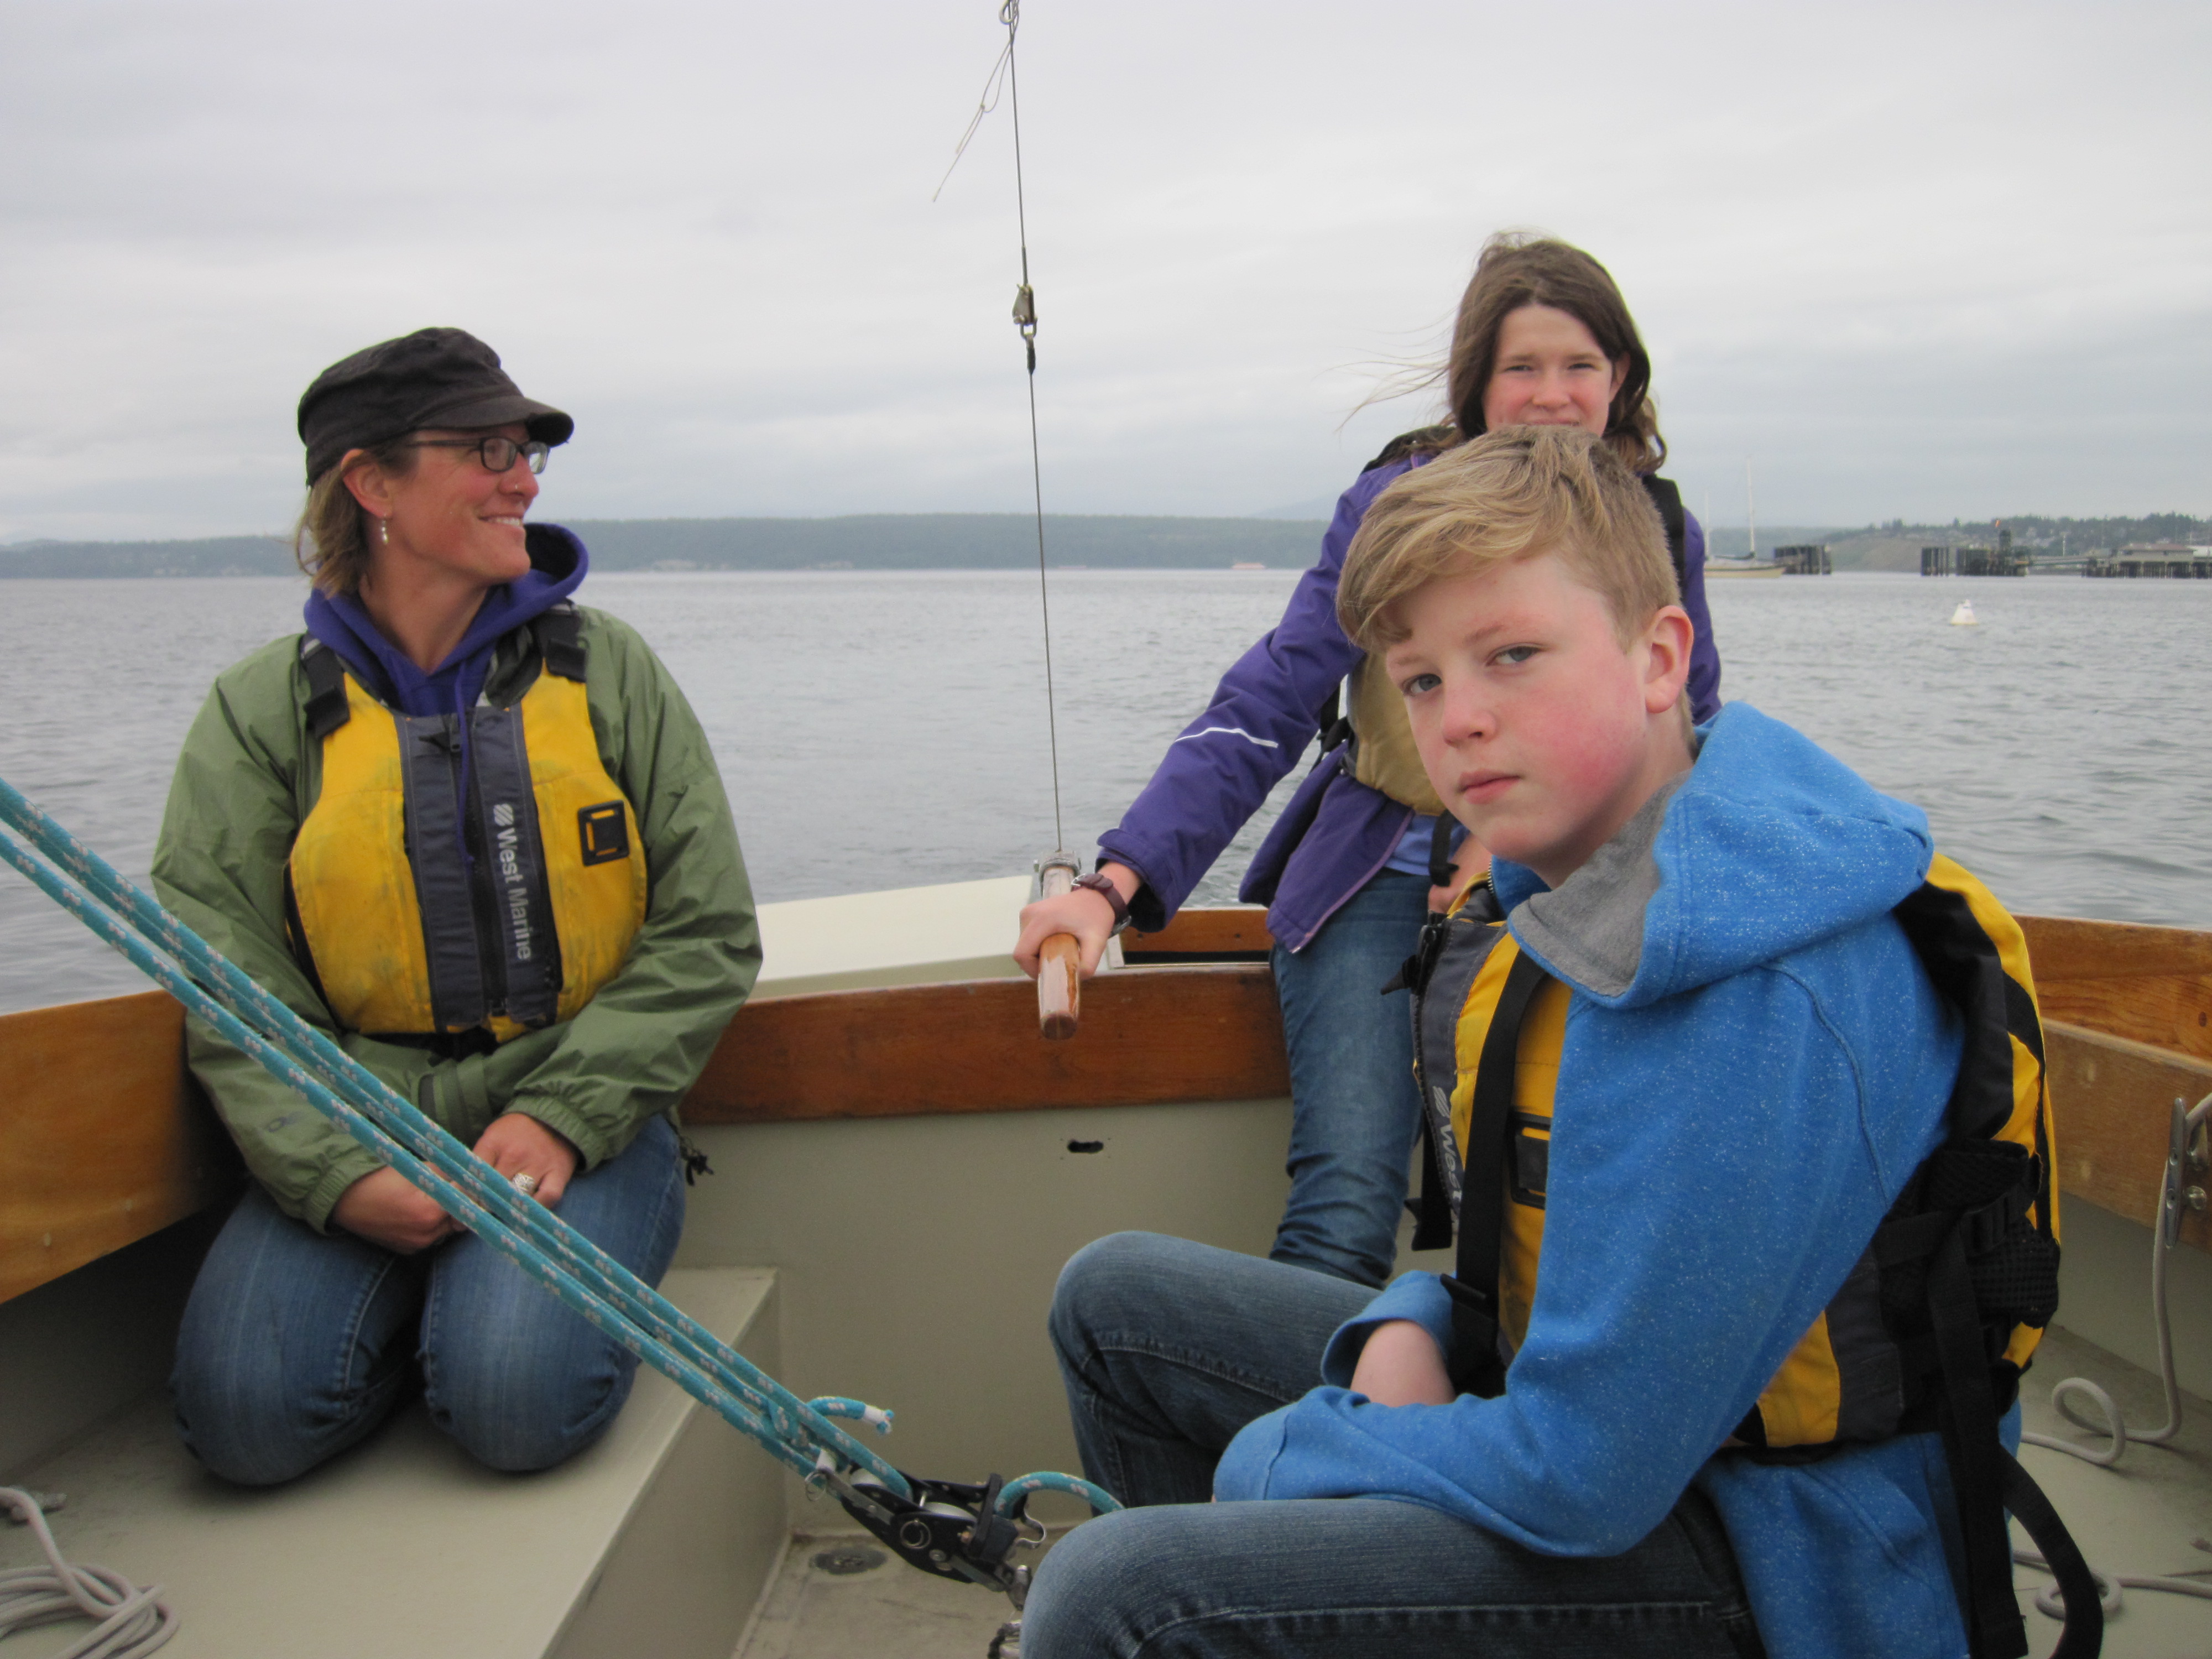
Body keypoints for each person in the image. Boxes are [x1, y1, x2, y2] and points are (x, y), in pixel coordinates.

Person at [1021, 426, 2067, 1658]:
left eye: (1511, 655)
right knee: (1115, 1305)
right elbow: (1551, 1271)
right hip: (1622, 1446)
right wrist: (1412, 1320)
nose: (1457, 721)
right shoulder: (1567, 889)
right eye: (1420, 680)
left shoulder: (1761, 990)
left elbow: (1586, 1473)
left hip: (1793, 1556)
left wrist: (1291, 1454)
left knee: (1115, 1596)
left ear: (1659, 658)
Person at [1014, 233, 1724, 1289]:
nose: (1552, 395)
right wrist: (1116, 885)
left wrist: (1516, 855)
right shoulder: (1399, 509)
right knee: (1343, 1216)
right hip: (1378, 878)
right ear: (1476, 384)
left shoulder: (1657, 531)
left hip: (1583, 891)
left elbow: (1690, 732)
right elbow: (1270, 699)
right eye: (1522, 367)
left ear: (1620, 378)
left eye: (1580, 365)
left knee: (1579, 1212)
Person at [154, 327, 761, 1484]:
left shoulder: (611, 671)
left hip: (576, 1107)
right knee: (244, 1421)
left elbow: (708, 932)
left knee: (512, 1408)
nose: (522, 480)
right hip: (355, 1111)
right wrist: (339, 1174)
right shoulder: (258, 713)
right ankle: (432, 1304)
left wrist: (563, 1118)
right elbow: (225, 979)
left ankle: (484, 1319)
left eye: (527, 452)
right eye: (486, 451)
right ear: (372, 484)